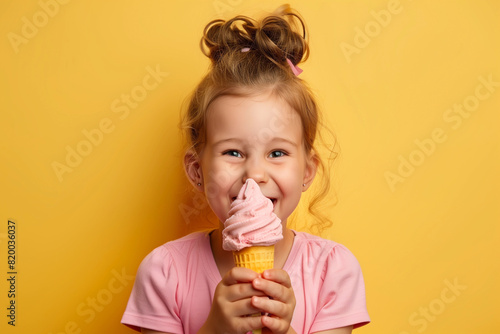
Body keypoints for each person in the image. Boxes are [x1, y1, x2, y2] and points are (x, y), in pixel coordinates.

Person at [121, 5, 370, 334]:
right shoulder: (164, 273)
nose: (255, 174)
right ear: (197, 170)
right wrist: (214, 330)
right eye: (233, 152)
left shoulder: (332, 271)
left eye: (277, 152)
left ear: (307, 171)